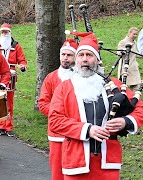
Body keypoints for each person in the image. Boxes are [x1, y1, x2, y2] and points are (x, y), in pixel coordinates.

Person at [48, 32, 143, 179]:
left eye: (89, 55)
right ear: (76, 60)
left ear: (97, 60)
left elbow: (139, 108)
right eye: (81, 55)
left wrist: (126, 121)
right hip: (76, 161)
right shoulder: (64, 87)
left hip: (108, 162)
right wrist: (87, 130)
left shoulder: (114, 85)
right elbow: (54, 120)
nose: (84, 59)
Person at [38, 38, 77, 180]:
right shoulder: (51, 78)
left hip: (76, 134)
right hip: (56, 134)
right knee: (57, 171)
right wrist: (60, 115)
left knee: (76, 170)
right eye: (63, 55)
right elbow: (43, 104)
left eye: (69, 55)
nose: (65, 58)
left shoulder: (81, 78)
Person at [0, 23, 27, 137]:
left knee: (9, 103)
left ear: (9, 33)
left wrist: (22, 66)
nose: (4, 34)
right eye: (2, 32)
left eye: (6, 32)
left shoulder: (16, 46)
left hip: (10, 76)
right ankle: (0, 126)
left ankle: (8, 126)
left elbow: (22, 60)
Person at [117, 27, 141, 92]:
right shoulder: (123, 42)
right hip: (126, 68)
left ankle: (134, 100)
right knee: (124, 86)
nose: (135, 36)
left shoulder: (135, 42)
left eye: (136, 34)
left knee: (137, 86)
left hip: (134, 67)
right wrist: (125, 50)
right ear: (129, 33)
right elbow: (118, 53)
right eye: (134, 34)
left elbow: (135, 53)